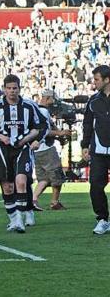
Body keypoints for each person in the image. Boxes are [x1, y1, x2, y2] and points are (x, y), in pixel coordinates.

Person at [0, 74, 47, 233]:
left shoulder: (29, 106)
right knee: (7, 186)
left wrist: (33, 139)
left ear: (19, 89)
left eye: (15, 88)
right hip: (3, 149)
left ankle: (20, 218)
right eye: (9, 88)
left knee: (21, 182)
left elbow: (41, 126)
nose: (12, 91)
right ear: (4, 90)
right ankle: (13, 219)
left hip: (23, 148)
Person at [82, 65, 110, 235]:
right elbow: (87, 124)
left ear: (107, 79)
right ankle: (102, 219)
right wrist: (85, 146)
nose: (94, 82)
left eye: (97, 79)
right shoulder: (93, 101)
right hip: (98, 152)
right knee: (95, 186)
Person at [32, 90, 70, 210]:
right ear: (48, 98)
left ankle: (33, 199)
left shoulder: (36, 110)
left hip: (36, 149)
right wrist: (60, 133)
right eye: (53, 99)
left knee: (44, 179)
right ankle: (54, 202)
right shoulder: (43, 111)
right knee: (57, 175)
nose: (54, 103)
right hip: (46, 149)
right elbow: (44, 131)